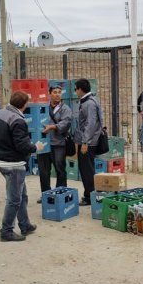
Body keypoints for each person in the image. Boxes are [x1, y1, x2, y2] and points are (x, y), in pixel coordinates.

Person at [0, 91, 44, 242]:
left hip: (2, 160)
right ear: (24, 105)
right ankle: (6, 231)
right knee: (14, 200)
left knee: (22, 195)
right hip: (14, 164)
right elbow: (22, 145)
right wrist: (35, 147)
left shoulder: (0, 114)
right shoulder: (18, 121)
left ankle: (25, 224)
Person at [37, 85, 72, 202]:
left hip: (58, 144)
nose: (57, 94)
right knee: (43, 171)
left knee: (60, 170)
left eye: (59, 92)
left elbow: (66, 123)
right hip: (44, 144)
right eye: (55, 92)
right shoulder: (43, 107)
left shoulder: (65, 108)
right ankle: (46, 195)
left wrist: (53, 126)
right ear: (49, 94)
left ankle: (60, 194)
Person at [74, 78, 104, 206]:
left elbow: (90, 124)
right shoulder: (89, 101)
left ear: (80, 89)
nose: (75, 91)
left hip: (88, 142)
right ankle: (90, 193)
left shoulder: (89, 103)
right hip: (88, 140)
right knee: (87, 168)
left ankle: (89, 196)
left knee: (86, 170)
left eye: (75, 89)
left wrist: (85, 142)